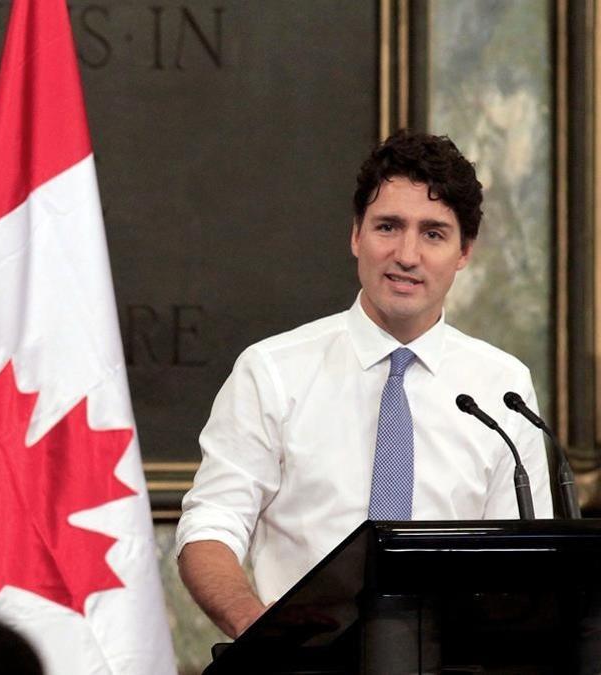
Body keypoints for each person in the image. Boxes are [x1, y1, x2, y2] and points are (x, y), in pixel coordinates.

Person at [175, 130, 552, 639]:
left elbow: (519, 560)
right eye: (388, 227)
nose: (406, 254)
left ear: (464, 252)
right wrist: (257, 629)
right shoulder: (272, 370)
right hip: (300, 665)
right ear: (356, 235)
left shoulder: (503, 387)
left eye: (434, 233)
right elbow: (210, 527)